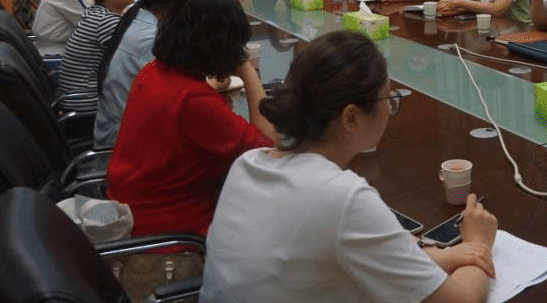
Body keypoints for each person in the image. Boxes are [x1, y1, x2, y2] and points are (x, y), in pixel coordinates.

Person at [201, 32, 499, 303]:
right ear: (351, 118)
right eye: (388, 99)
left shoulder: (247, 164)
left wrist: (440, 256)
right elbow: (461, 300)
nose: (390, 110)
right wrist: (479, 244)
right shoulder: (344, 198)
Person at [106, 0, 276, 239]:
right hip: (173, 236)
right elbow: (267, 150)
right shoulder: (195, 101)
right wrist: (247, 69)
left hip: (132, 211)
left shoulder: (151, 72)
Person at [93, 0, 206, 148]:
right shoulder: (149, 38)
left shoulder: (141, 15)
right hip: (122, 142)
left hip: (127, 128)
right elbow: (176, 100)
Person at [58, 0, 136, 112]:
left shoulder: (96, 12)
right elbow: (136, 62)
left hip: (80, 97)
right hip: (88, 104)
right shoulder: (107, 22)